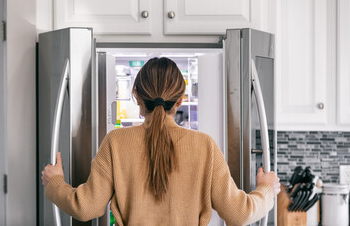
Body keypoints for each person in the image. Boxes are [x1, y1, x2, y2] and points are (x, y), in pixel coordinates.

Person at [42, 57, 280, 226]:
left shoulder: (116, 142)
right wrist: (266, 190)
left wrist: (55, 183)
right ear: (180, 101)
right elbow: (238, 214)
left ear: (137, 97)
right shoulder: (204, 146)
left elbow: (86, 208)